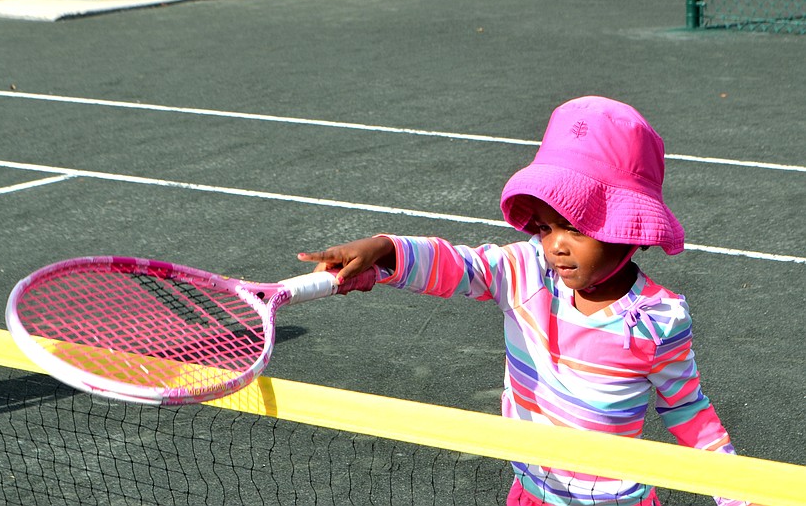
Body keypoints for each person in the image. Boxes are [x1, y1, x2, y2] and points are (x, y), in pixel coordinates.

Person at [298, 96, 752, 506]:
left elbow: (687, 408)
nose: (555, 245)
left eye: (576, 227)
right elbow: (461, 266)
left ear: (630, 233)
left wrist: (738, 493)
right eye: (543, 226)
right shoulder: (526, 271)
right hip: (529, 493)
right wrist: (386, 252)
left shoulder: (656, 320)